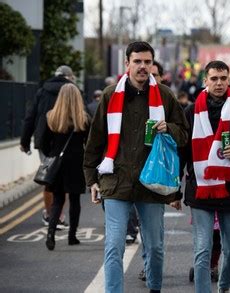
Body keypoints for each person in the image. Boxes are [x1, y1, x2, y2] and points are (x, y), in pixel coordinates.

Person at [83, 41, 188, 293]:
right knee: (114, 245)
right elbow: (95, 140)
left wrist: (169, 128)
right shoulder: (110, 95)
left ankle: (154, 288)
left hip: (151, 183)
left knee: (154, 246)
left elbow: (184, 134)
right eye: (138, 61)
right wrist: (92, 180)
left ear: (152, 64)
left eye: (147, 62)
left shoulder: (164, 95)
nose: (143, 67)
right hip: (116, 181)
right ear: (127, 63)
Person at [181, 60, 230, 293]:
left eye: (223, 78)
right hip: (200, 190)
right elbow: (182, 153)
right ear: (205, 81)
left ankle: (224, 286)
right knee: (203, 250)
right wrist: (174, 191)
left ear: (229, 80)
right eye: (214, 78)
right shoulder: (190, 113)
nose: (218, 83)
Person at [20, 65, 75, 228]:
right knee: (63, 177)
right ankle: (58, 215)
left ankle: (49, 214)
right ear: (69, 77)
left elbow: (30, 117)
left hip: (44, 140)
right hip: (67, 140)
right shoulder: (72, 90)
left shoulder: (42, 91)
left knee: (48, 176)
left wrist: (24, 141)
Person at [41, 83, 90, 250]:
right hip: (76, 162)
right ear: (77, 98)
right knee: (75, 200)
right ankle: (72, 236)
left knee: (58, 200)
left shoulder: (51, 117)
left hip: (58, 163)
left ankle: (50, 234)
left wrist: (52, 154)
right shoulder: (83, 118)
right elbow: (89, 143)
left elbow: (43, 143)